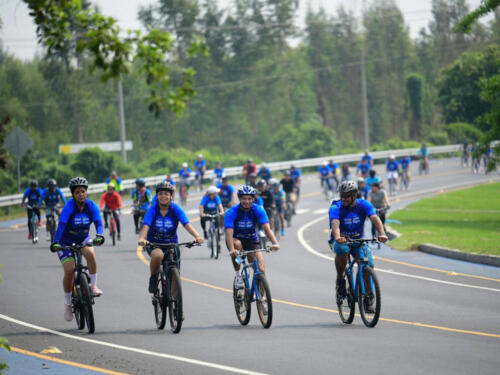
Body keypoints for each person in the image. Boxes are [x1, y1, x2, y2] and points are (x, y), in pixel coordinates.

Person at [50, 177, 105, 322]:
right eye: (77, 192)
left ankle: (93, 286)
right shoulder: (69, 207)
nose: (81, 194)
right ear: (73, 195)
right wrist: (55, 242)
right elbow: (61, 226)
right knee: (69, 270)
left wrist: (99, 235)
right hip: (65, 241)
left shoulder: (91, 206)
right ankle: (68, 304)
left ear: (86, 193)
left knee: (91, 253)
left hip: (82, 239)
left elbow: (99, 223)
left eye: (83, 191)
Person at [329, 181, 387, 313]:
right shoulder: (336, 207)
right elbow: (335, 223)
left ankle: (368, 297)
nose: (343, 199)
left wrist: (382, 233)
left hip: (358, 240)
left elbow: (374, 217)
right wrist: (338, 237)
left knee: (368, 264)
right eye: (342, 195)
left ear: (355, 196)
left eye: (347, 196)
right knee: (342, 251)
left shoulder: (364, 205)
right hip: (340, 240)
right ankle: (340, 281)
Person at [138, 182, 204, 294]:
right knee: (158, 255)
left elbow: (186, 224)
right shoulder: (152, 210)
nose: (163, 196)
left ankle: (176, 305)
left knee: (175, 275)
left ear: (171, 196)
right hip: (155, 244)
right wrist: (142, 239)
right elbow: (146, 226)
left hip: (172, 243)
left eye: (166, 194)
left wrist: (197, 236)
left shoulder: (176, 209)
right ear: (157, 196)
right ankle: (153, 278)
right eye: (160, 194)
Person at [224, 186, 279, 290]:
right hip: (235, 239)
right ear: (239, 199)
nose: (247, 201)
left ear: (253, 199)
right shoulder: (231, 212)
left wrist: (275, 243)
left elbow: (267, 228)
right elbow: (229, 233)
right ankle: (238, 276)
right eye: (244, 198)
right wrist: (231, 249)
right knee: (237, 246)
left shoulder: (258, 209)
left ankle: (262, 297)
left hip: (251, 239)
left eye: (250, 198)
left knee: (261, 268)